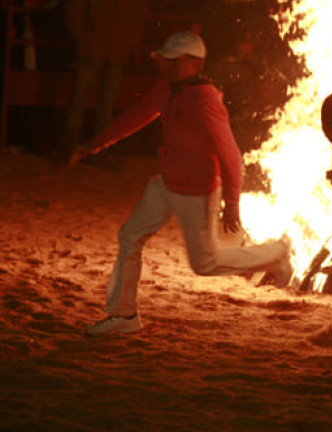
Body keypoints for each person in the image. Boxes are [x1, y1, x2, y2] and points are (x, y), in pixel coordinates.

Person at [70, 30, 293, 336]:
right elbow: (137, 115)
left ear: (194, 63)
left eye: (174, 61)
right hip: (166, 184)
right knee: (130, 237)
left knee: (205, 263)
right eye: (166, 60)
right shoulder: (167, 89)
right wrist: (96, 144)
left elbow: (230, 156)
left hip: (197, 191)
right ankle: (124, 315)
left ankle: (275, 254)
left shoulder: (206, 101)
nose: (167, 66)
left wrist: (232, 203)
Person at [62, 0, 149, 161]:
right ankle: (81, 151)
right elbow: (74, 13)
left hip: (104, 51)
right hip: (106, 51)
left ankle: (77, 151)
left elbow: (74, 12)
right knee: (92, 106)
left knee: (88, 105)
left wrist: (85, 38)